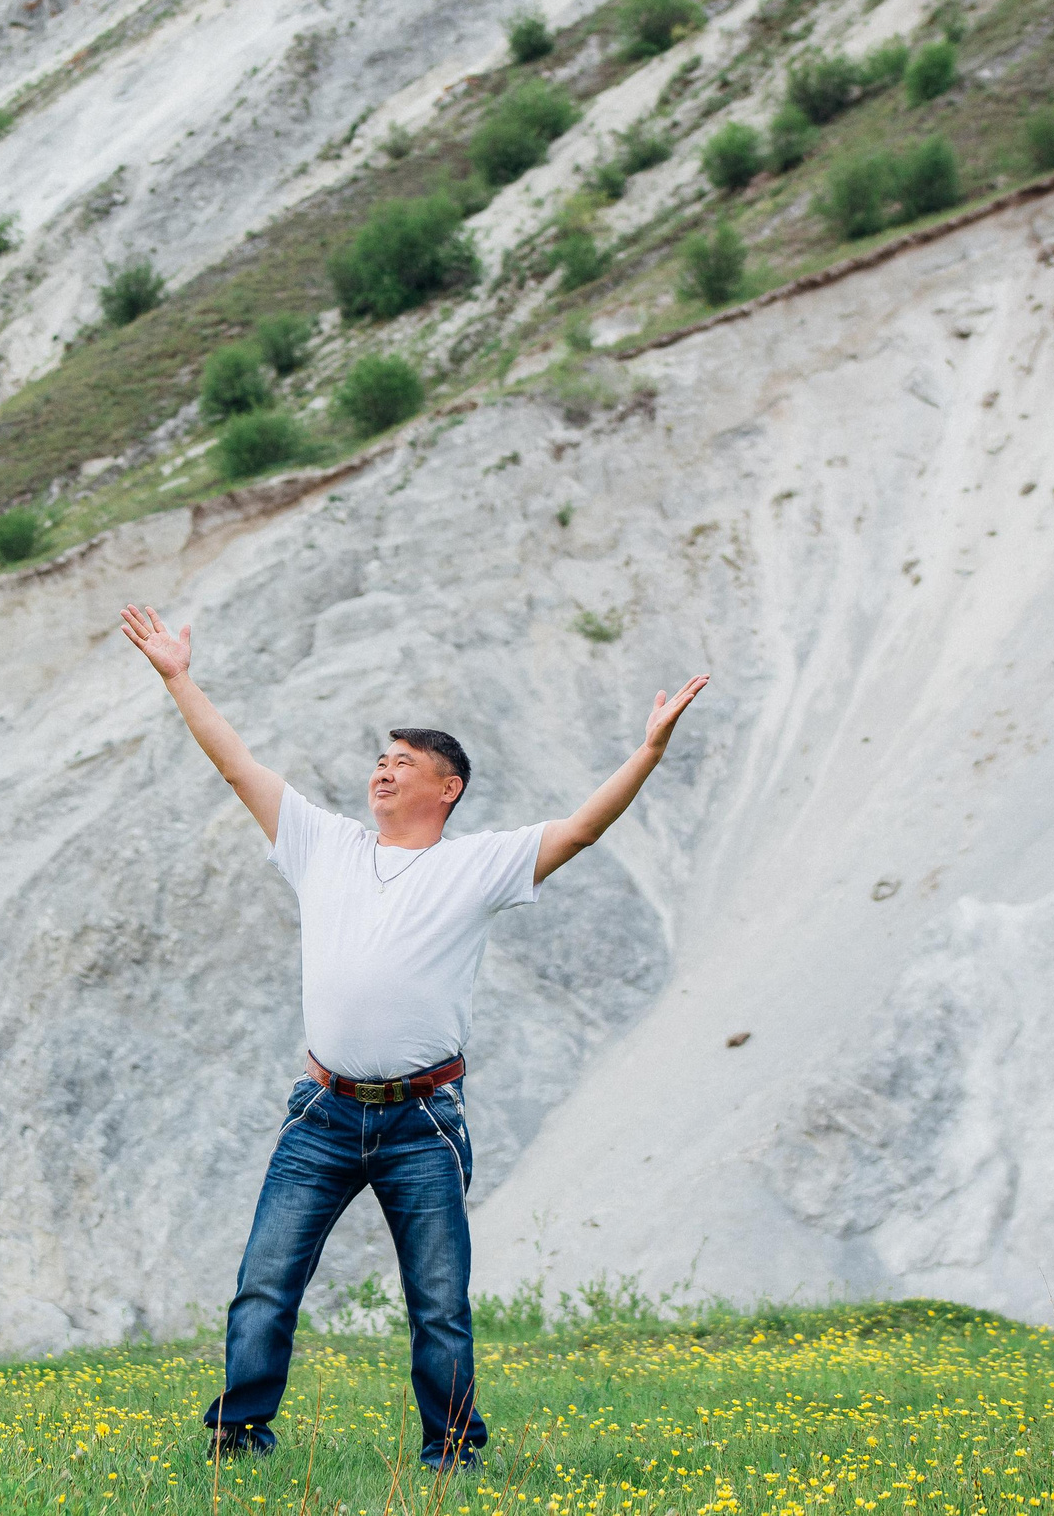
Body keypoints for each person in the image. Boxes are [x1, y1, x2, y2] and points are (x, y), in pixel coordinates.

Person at [117, 603, 709, 1473]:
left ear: (448, 788)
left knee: (437, 1299)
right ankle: (237, 1434)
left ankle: (452, 1449)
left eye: (405, 763)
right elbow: (237, 765)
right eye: (380, 760)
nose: (384, 771)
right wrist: (177, 676)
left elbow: (581, 828)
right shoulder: (323, 843)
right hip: (321, 1110)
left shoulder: (476, 866)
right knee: (264, 1285)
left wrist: (649, 749)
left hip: (422, 1120)